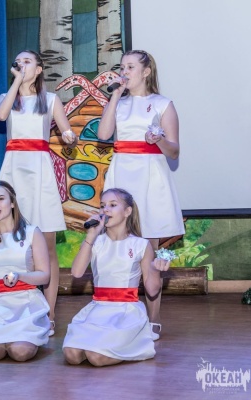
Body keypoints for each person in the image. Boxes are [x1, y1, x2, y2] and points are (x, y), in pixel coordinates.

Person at [97, 50, 184, 340]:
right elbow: (104, 134)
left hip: (151, 178)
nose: (124, 71)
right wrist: (114, 95)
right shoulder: (118, 103)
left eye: (131, 67)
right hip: (122, 175)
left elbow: (174, 151)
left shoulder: (162, 104)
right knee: (118, 247)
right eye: (122, 66)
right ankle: (120, 313)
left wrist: (158, 140)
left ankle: (153, 318)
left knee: (149, 249)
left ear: (146, 72)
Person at [0, 50, 76, 335]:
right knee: (12, 242)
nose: (22, 64)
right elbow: (1, 115)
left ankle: (49, 313)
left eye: (27, 61)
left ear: (39, 69)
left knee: (48, 248)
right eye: (18, 61)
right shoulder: (7, 97)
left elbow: (67, 132)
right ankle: (15, 308)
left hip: (40, 172)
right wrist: (17, 82)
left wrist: (69, 136)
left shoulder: (50, 100)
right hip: (13, 169)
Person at [62, 188, 170, 367]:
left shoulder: (140, 245)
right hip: (98, 309)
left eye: (113, 205)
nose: (106, 209)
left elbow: (152, 291)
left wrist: (155, 270)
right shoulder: (96, 242)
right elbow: (77, 272)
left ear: (127, 211)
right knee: (71, 355)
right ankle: (103, 344)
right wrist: (91, 236)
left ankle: (133, 346)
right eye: (102, 206)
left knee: (96, 357)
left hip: (125, 312)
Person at [0, 180, 51, 362]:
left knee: (20, 352)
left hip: (26, 302)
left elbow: (45, 275)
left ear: (12, 203)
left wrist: (20, 276)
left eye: (0, 199)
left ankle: (27, 335)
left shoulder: (32, 233)